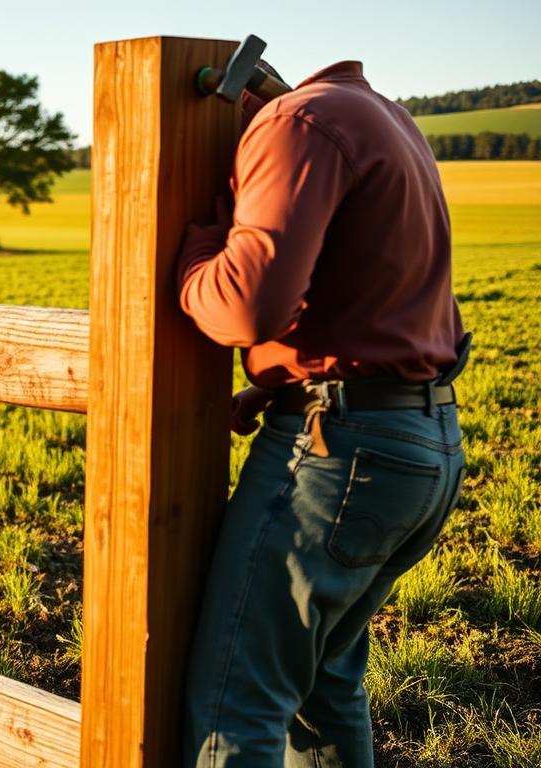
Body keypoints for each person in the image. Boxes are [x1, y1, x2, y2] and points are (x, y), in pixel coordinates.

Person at [177, 60, 469, 767]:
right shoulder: (381, 117)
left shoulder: (290, 124)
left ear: (230, 104)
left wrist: (195, 260)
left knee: (234, 704)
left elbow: (245, 304)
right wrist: (283, 385)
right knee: (325, 691)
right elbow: (372, 294)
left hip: (340, 456)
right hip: (420, 440)